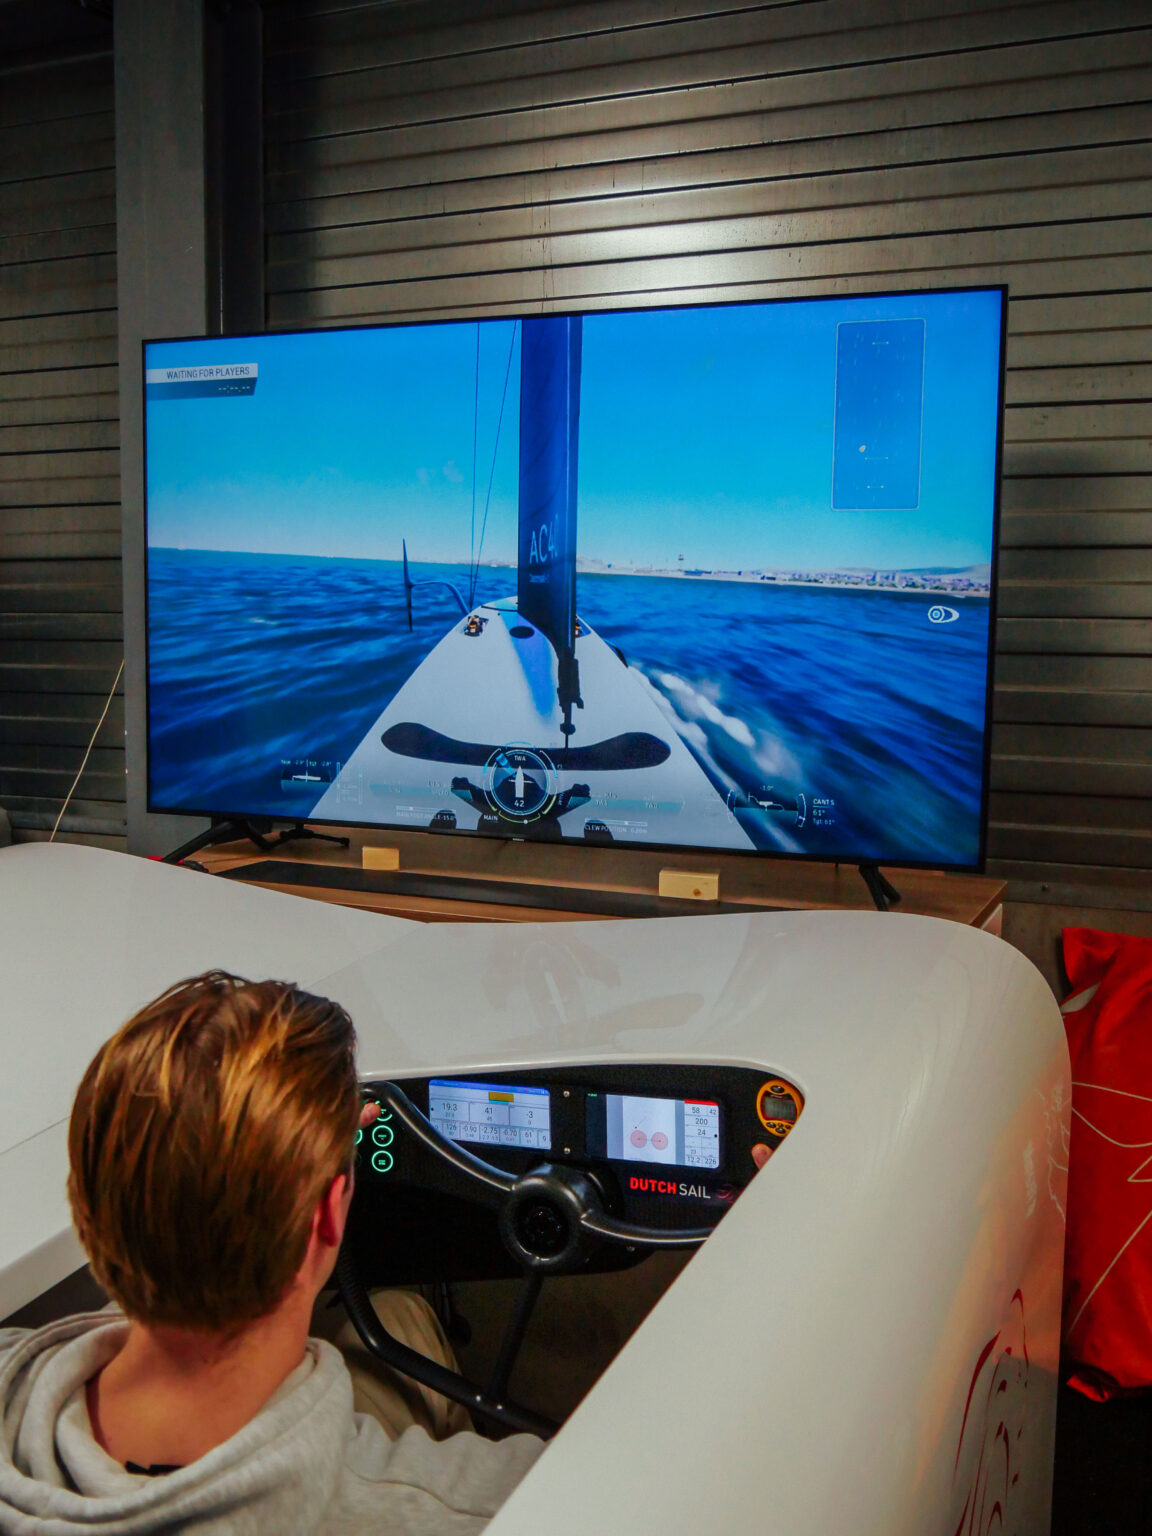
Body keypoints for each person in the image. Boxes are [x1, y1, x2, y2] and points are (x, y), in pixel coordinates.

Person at [0, 972, 544, 1534]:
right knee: (400, 1324)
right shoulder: (487, 1506)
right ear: (327, 1216)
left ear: (88, 1205)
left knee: (398, 1318)